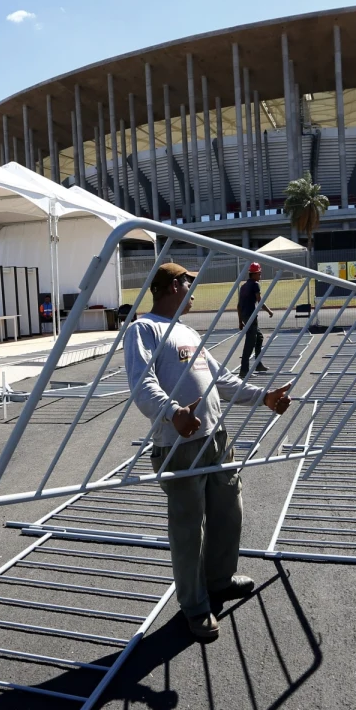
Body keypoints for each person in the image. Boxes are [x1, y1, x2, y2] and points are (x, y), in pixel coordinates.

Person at [124, 263, 293, 641]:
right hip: (180, 445)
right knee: (188, 531)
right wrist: (171, 413)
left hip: (217, 437)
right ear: (171, 286)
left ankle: (219, 580)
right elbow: (141, 383)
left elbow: (222, 379)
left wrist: (262, 397)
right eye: (189, 284)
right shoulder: (144, 329)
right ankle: (195, 605)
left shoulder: (187, 331)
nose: (194, 292)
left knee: (228, 513)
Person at [237, 262, 273, 377]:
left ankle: (258, 364)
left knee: (259, 337)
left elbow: (238, 305)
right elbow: (260, 301)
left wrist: (240, 321)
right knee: (249, 343)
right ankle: (244, 371)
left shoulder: (243, 286)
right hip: (251, 317)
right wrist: (269, 311)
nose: (260, 275)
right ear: (254, 274)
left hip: (245, 316)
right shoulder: (255, 284)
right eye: (259, 273)